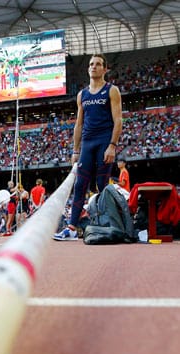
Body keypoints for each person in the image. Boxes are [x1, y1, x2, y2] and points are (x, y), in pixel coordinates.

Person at [54, 53, 123, 241]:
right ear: (88, 68)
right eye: (91, 64)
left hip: (104, 142)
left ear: (105, 69)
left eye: (98, 64)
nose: (94, 66)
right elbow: (79, 123)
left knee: (102, 185)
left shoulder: (111, 90)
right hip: (87, 143)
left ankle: (108, 224)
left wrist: (112, 146)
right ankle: (71, 228)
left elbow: (118, 120)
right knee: (79, 185)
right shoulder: (82, 94)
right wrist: (75, 150)